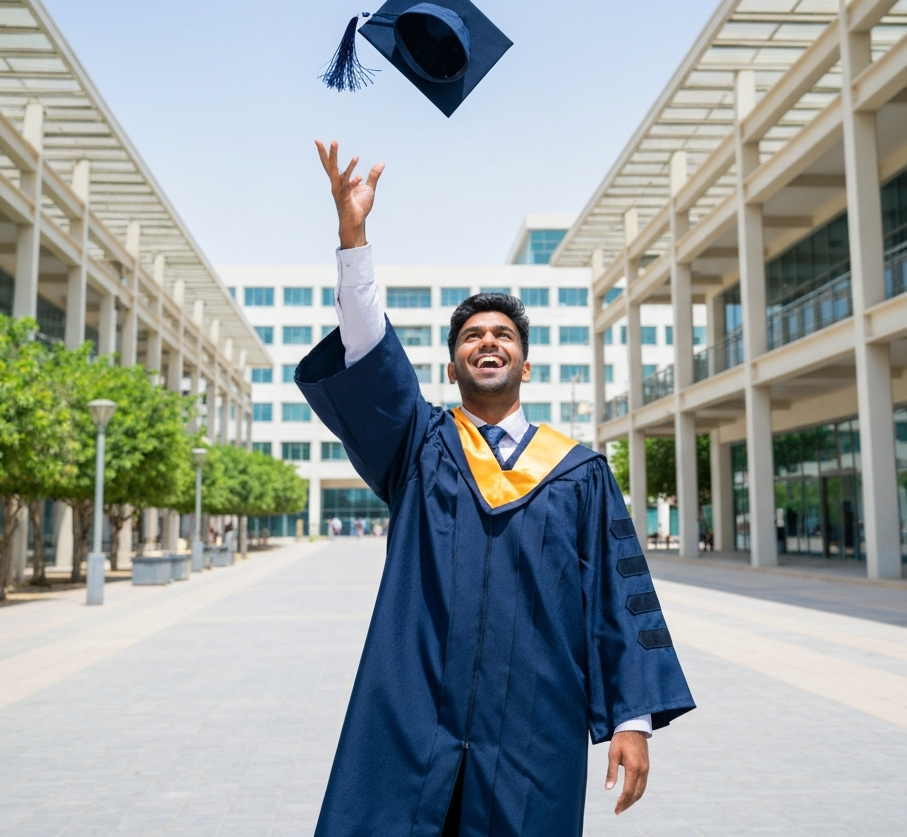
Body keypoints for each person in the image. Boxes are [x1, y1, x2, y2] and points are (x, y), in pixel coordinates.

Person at [296, 141, 695, 837]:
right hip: (414, 718)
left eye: (503, 334)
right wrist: (353, 239)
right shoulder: (419, 446)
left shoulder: (578, 473)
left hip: (533, 730)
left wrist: (633, 722)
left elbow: (618, 595)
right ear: (452, 366)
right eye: (473, 335)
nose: (488, 342)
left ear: (526, 365)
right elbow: (368, 353)